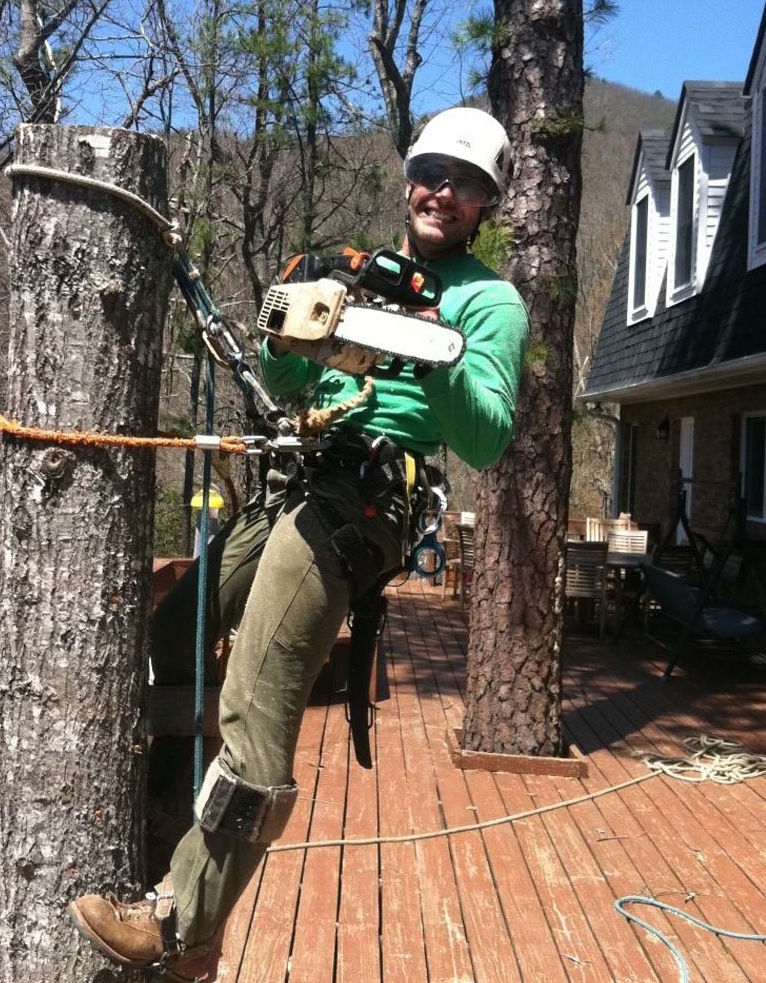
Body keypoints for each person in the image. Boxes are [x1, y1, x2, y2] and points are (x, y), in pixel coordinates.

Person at [68, 106, 530, 982]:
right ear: (409, 182)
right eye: (432, 174)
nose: (443, 192)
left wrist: (435, 346)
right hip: (300, 476)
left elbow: (486, 439)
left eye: (466, 184)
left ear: (486, 205)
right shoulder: (362, 275)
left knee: (256, 703)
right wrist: (289, 327)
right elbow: (289, 380)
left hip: (366, 496)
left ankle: (181, 926)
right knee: (175, 633)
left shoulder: (489, 302)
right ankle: (165, 837)